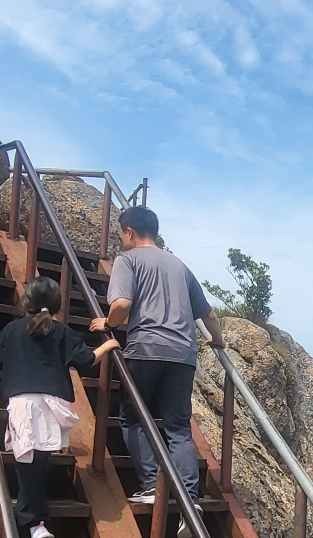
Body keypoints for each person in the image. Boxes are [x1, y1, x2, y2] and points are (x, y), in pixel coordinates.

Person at [92, 205, 221, 513]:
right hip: (182, 355)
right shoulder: (179, 265)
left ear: (129, 231)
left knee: (133, 417)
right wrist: (218, 340)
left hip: (145, 349)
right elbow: (208, 314)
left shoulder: (128, 260)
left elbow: (121, 304)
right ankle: (190, 499)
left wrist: (107, 324)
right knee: (178, 428)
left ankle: (151, 485)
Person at [0, 274, 120, 538]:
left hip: (24, 406)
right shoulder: (62, 332)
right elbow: (86, 361)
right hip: (52, 408)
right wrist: (107, 346)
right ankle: (37, 524)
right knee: (35, 467)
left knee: (27, 469)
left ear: (28, 301)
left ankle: (37, 525)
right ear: (57, 304)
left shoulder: (13, 330)